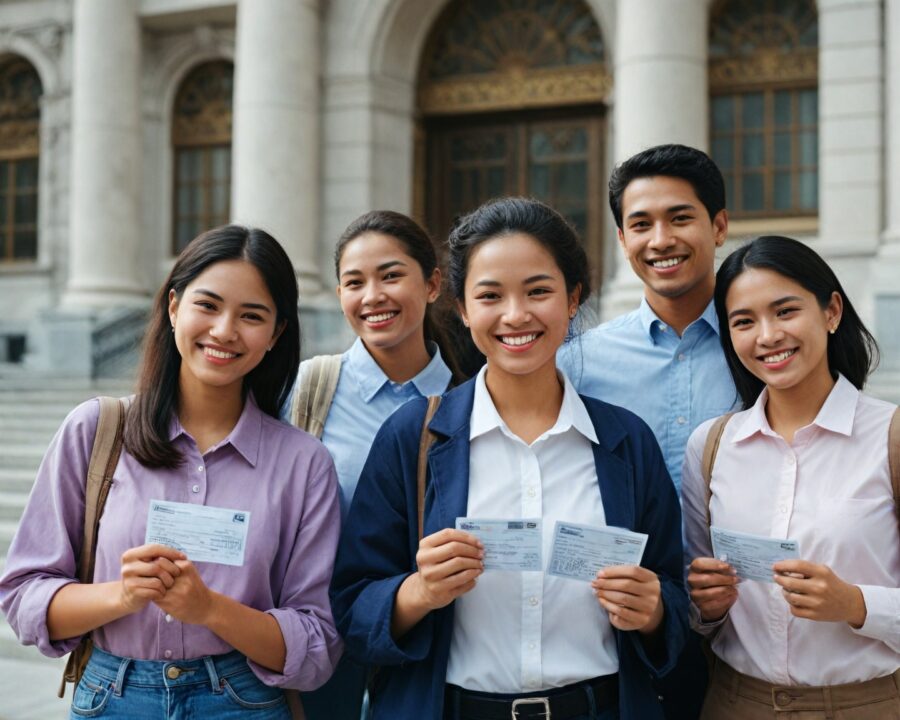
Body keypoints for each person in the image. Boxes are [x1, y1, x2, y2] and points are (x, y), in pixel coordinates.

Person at [331, 197, 688, 720]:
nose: (516, 315)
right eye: (490, 295)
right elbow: (353, 608)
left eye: (538, 291)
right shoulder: (414, 437)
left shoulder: (625, 441)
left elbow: (675, 599)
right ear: (461, 308)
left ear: (573, 298)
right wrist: (420, 592)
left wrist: (653, 610)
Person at [0, 226, 342, 718]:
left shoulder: (304, 464)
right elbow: (24, 597)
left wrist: (210, 609)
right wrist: (122, 595)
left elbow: (316, 645)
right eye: (208, 305)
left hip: (242, 702)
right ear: (174, 306)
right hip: (111, 699)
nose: (224, 330)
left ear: (276, 334)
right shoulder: (95, 430)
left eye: (251, 315)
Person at [683, 236, 900, 719]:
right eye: (744, 321)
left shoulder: (890, 436)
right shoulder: (711, 446)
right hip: (735, 704)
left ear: (831, 311)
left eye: (785, 311)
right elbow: (696, 607)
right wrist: (708, 605)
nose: (767, 335)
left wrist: (856, 604)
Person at [557, 143, 739, 719]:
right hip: (625, 629)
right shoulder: (578, 363)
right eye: (641, 224)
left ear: (719, 226)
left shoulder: (763, 349)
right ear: (621, 239)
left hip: (749, 626)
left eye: (680, 218)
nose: (661, 240)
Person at [281, 210, 459, 720]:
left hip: (424, 639)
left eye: (391, 276)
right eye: (355, 283)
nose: (372, 296)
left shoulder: (468, 400)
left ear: (432, 285)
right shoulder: (305, 390)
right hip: (319, 640)